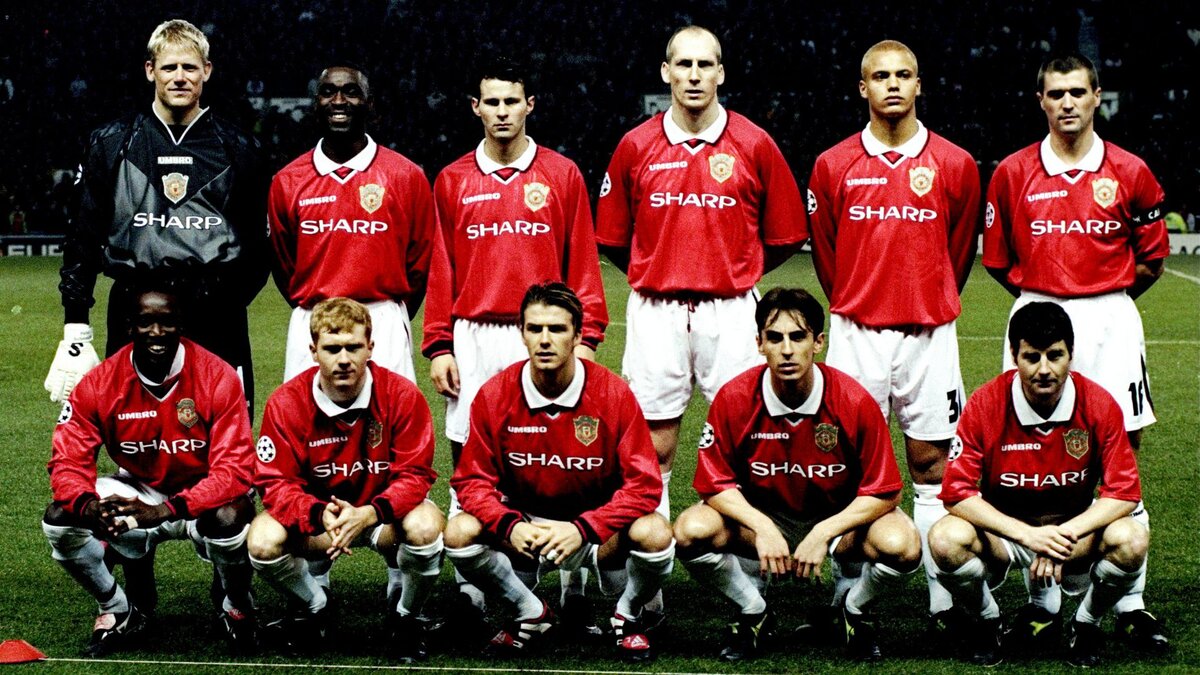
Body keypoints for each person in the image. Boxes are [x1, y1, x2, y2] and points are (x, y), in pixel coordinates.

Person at [982, 53, 1169, 650]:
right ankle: (1042, 601)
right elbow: (998, 259)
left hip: (1111, 317)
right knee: (1029, 451)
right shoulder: (1012, 172)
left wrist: (1103, 299)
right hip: (1037, 314)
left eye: (1077, 92)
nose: (1067, 102)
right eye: (1056, 93)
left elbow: (1151, 258)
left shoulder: (1131, 170)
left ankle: (1131, 601)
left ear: (1096, 96)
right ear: (1041, 100)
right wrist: (1044, 302)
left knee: (1122, 453)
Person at [422, 58, 608, 628]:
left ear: (529, 105)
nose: (502, 112)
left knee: (563, 452)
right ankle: (474, 587)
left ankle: (573, 577)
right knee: (470, 457)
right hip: (475, 334)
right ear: (475, 108)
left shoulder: (562, 173)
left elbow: (583, 259)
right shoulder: (452, 179)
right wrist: (439, 345)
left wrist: (588, 336)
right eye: (492, 102)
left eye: (512, 101)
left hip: (546, 333)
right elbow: (441, 268)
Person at [595, 25, 807, 521]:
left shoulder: (754, 143)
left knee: (752, 435)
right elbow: (612, 237)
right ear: (666, 72)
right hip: (656, 310)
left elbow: (785, 235)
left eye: (704, 64)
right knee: (653, 443)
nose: (694, 75)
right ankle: (652, 559)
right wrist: (658, 268)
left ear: (721, 73)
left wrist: (734, 269)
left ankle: (751, 555)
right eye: (684, 64)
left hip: (733, 311)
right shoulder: (635, 145)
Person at [807, 40, 980, 631]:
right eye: (880, 76)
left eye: (904, 75)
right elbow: (826, 255)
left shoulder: (955, 163)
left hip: (930, 333)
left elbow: (959, 251)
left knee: (932, 467)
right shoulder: (832, 164)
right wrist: (859, 299)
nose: (893, 85)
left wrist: (928, 296)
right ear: (863, 88)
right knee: (849, 466)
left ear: (919, 84)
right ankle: (846, 595)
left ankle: (941, 599)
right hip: (856, 332)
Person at [674, 288, 920, 662]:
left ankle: (852, 610)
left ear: (818, 342)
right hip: (764, 519)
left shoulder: (854, 401)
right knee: (691, 531)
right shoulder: (734, 398)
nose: (787, 350)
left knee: (902, 544)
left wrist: (823, 533)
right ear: (759, 344)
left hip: (839, 525)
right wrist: (763, 527)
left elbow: (885, 490)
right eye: (775, 338)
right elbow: (713, 484)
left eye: (798, 337)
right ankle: (753, 610)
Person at [445, 283, 672, 661]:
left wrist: (584, 528)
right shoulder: (494, 395)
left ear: (578, 335)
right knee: (458, 531)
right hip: (527, 530)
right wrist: (510, 525)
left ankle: (627, 614)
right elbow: (471, 482)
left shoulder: (613, 394)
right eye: (535, 329)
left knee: (655, 533)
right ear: (522, 333)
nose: (545, 340)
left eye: (557, 329)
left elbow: (645, 485)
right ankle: (530, 611)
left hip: (597, 532)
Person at [48, 19, 267, 407]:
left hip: (216, 314)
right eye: (169, 67)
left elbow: (258, 246)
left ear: (206, 71)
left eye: (189, 67)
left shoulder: (240, 148)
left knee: (221, 431)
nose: (180, 77)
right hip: (134, 310)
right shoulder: (111, 143)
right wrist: (75, 328)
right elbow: (82, 237)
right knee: (132, 430)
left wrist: (221, 297)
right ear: (150, 70)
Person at [43, 285, 257, 656]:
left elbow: (235, 469)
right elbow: (67, 460)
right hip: (138, 488)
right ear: (129, 327)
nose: (156, 333)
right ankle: (116, 607)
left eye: (167, 323)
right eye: (145, 323)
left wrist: (166, 510)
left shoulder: (218, 375)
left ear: (182, 326)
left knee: (232, 516)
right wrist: (87, 504)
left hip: (202, 491)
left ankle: (236, 604)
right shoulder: (99, 382)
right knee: (60, 519)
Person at [931, 301, 1147, 667]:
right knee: (945, 539)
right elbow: (956, 492)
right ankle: (989, 621)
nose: (1044, 369)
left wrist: (1062, 536)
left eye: (1055, 356)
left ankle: (1087, 624)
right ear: (1014, 355)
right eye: (1032, 357)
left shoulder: (1099, 404)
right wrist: (1028, 536)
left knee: (1132, 539)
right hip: (1007, 537)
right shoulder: (985, 403)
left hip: (1074, 537)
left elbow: (1124, 493)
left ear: (1071, 354)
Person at [248, 297, 444, 662]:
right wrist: (318, 513)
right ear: (313, 351)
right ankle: (315, 607)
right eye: (332, 349)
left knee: (426, 526)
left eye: (353, 347)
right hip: (321, 524)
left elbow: (415, 475)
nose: (343, 359)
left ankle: (405, 617)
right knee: (261, 540)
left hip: (381, 520)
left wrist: (369, 513)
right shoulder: (286, 402)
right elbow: (275, 484)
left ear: (370, 347)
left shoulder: (402, 395)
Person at [268, 62, 437, 383]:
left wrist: (388, 309)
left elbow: (419, 262)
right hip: (313, 320)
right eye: (328, 92)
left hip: (382, 321)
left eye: (350, 92)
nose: (339, 101)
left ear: (369, 104)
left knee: (389, 414)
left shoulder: (407, 176)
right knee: (306, 415)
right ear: (316, 104)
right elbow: (283, 262)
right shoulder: (287, 181)